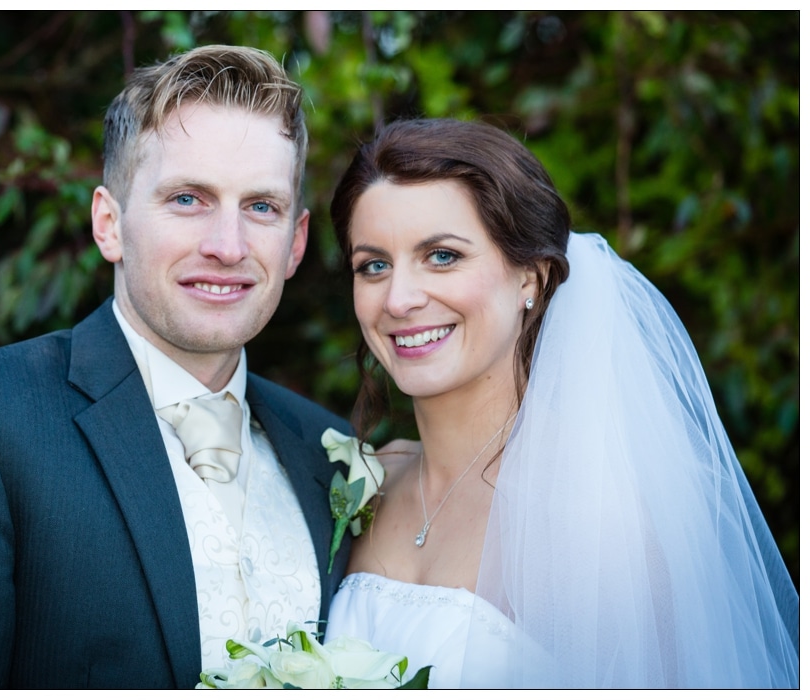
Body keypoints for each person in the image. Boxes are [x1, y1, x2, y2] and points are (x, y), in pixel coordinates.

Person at [0, 45, 352, 689]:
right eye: (189, 199)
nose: (228, 246)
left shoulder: (330, 454)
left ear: (295, 242)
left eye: (261, 207)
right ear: (109, 224)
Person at [323, 118, 799, 688]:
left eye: (442, 256)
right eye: (373, 265)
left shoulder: (603, 523)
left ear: (532, 277)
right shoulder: (367, 487)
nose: (398, 299)